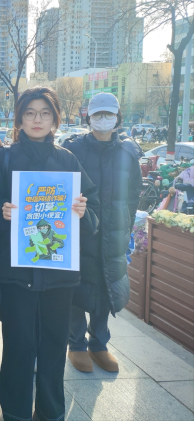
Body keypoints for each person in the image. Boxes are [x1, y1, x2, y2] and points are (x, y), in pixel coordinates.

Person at [0, 86, 99, 421]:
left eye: (44, 113)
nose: (37, 120)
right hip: (16, 274)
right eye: (29, 113)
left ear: (55, 119)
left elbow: (94, 216)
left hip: (58, 276)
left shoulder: (67, 160)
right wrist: (1, 212)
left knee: (53, 348)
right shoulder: (4, 159)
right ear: (19, 119)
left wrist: (82, 212)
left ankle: (51, 412)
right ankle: (15, 413)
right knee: (17, 347)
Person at [62, 93, 142, 373]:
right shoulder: (73, 149)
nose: (103, 119)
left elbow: (133, 194)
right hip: (80, 230)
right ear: (88, 117)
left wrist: (126, 227)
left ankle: (99, 344)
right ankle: (76, 344)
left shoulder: (127, 152)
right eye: (98, 114)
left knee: (107, 287)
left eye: (109, 114)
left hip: (113, 231)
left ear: (118, 117)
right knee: (76, 286)